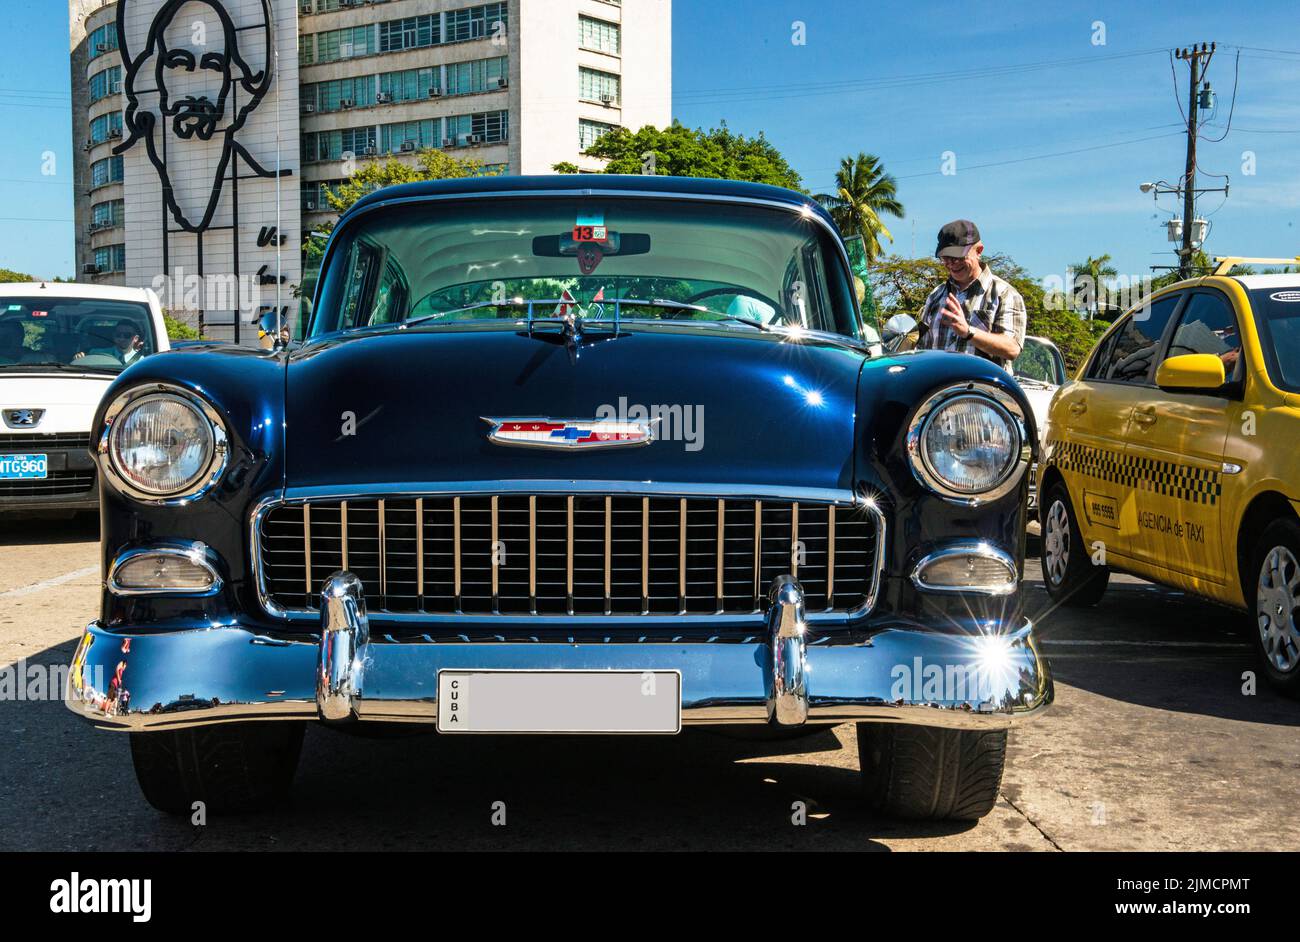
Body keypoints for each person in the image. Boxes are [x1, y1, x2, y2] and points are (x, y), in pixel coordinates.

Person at [915, 220, 1026, 372]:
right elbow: (923, 350)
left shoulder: (1004, 294)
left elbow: (1012, 348)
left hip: (981, 392)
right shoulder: (936, 296)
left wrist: (968, 332)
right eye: (945, 258)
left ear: (979, 251)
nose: (951, 263)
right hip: (941, 392)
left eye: (958, 257)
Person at [76, 320, 145, 366]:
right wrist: (79, 358)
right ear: (113, 336)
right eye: (118, 334)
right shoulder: (95, 353)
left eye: (127, 335)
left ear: (136, 338)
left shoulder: (141, 361)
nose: (122, 338)